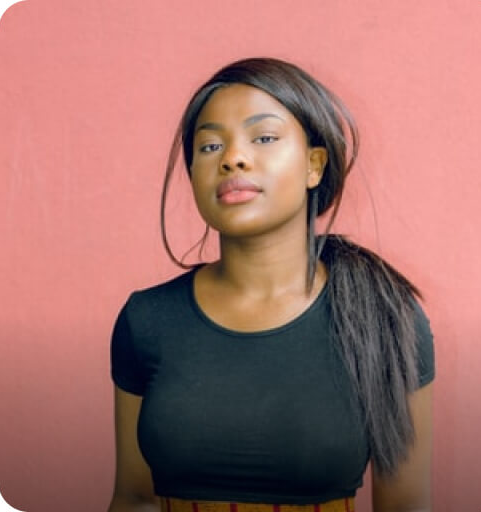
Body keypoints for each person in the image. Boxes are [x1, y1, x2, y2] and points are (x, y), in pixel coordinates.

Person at [107, 57, 435, 512]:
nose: (232, 158)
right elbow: (134, 498)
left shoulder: (386, 317)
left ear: (314, 165)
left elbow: (405, 506)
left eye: (263, 137)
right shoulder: (146, 321)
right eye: (209, 146)